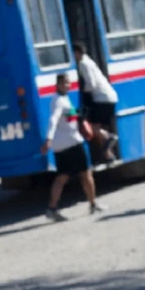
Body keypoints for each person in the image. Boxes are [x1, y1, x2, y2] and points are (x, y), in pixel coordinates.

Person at [42, 73, 105, 220]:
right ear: (57, 85)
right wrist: (48, 139)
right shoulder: (59, 101)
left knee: (62, 177)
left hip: (60, 146)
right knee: (86, 173)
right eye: (64, 83)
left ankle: (51, 209)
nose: (67, 86)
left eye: (68, 83)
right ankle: (93, 204)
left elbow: (66, 118)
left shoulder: (59, 98)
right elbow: (53, 120)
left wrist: (76, 114)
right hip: (73, 143)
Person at [72, 42, 119, 161]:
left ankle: (109, 137)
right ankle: (109, 155)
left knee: (92, 128)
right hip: (108, 97)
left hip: (101, 99)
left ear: (77, 52)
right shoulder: (89, 61)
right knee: (97, 128)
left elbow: (91, 84)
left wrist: (82, 90)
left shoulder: (83, 63)